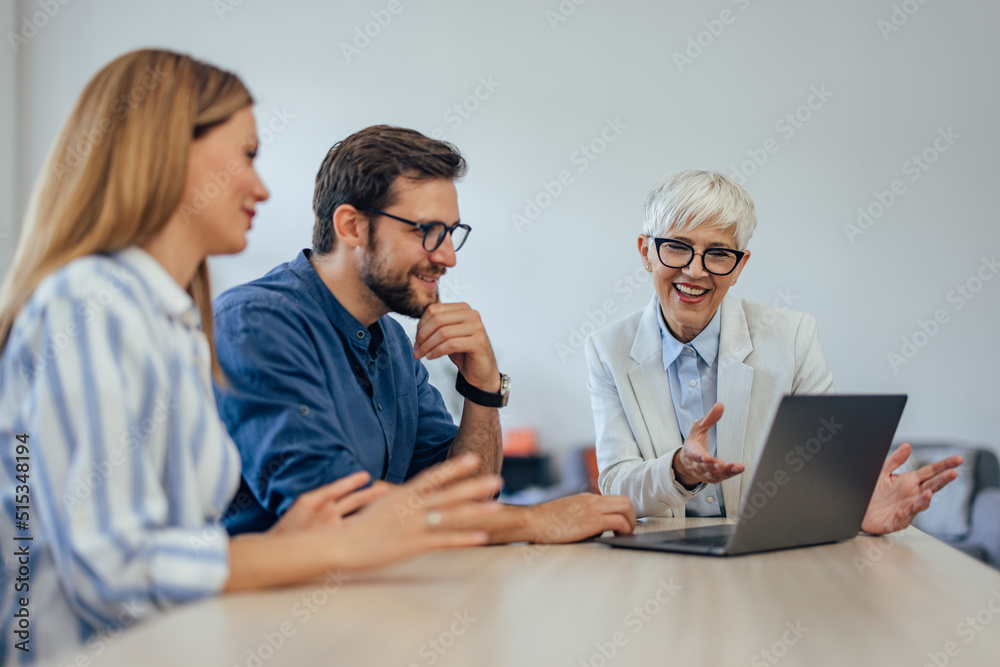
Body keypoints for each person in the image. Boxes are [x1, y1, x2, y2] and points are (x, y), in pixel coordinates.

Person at [0, 50, 504, 664]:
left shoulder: (172, 320)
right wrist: (321, 548)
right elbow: (110, 569)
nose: (261, 186)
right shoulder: (92, 306)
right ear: (166, 153)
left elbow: (450, 496)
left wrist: (482, 389)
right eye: (246, 154)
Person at [212, 125, 636, 543]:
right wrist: (528, 522)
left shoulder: (393, 341)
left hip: (372, 592)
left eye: (451, 233)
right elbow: (333, 514)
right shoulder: (256, 322)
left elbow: (465, 500)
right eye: (428, 231)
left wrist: (483, 387)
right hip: (267, 605)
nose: (447, 256)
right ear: (352, 227)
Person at [585, 169, 962, 533]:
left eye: (717, 253)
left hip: (763, 555)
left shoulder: (793, 336)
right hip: (658, 560)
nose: (695, 271)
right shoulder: (607, 350)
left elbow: (821, 466)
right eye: (678, 247)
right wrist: (679, 469)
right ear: (646, 252)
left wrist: (856, 506)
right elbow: (616, 484)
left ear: (738, 267)